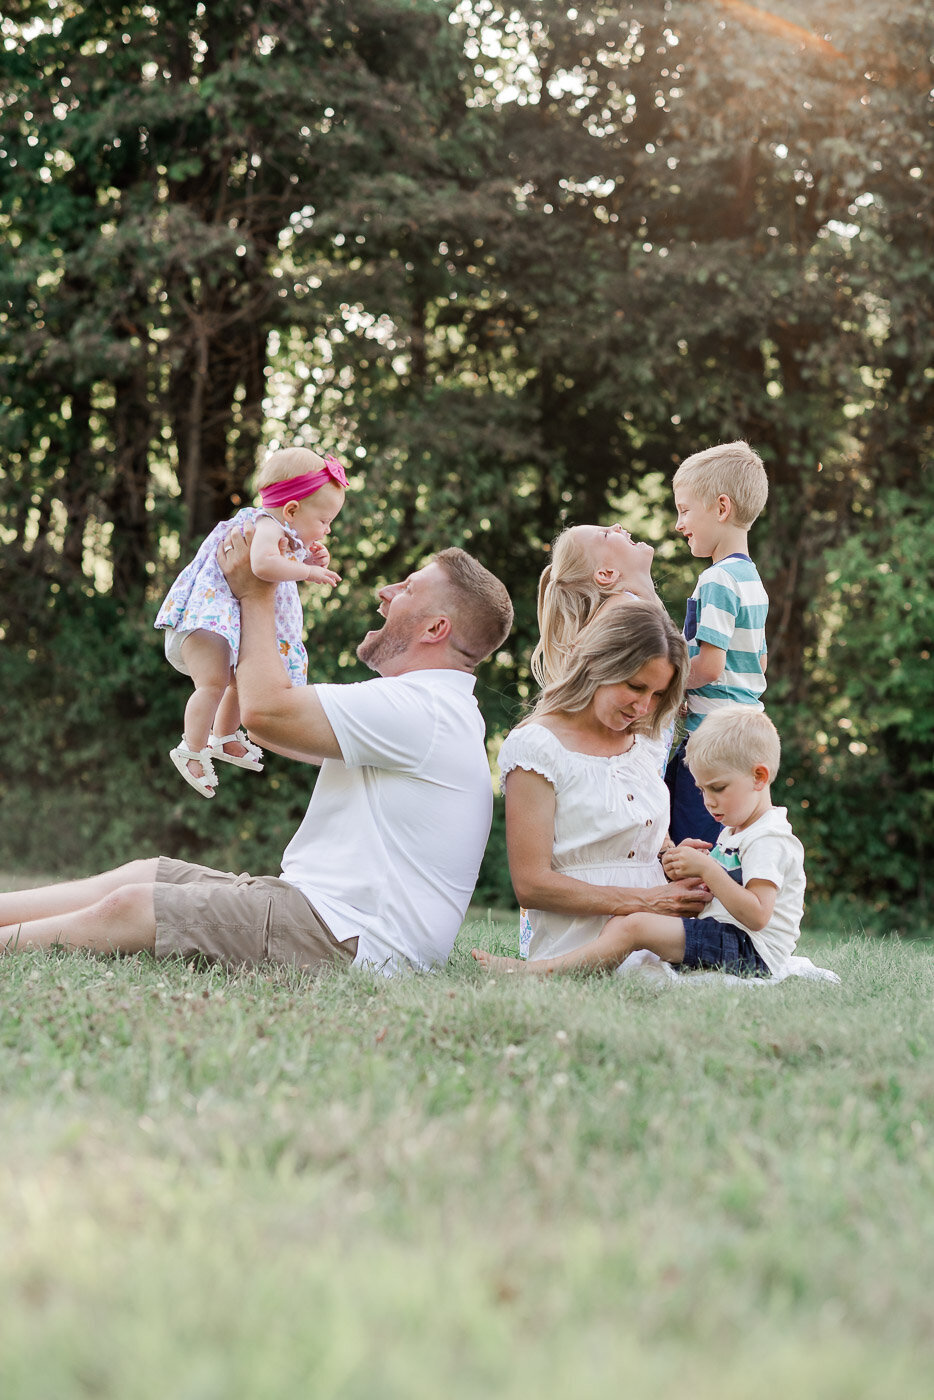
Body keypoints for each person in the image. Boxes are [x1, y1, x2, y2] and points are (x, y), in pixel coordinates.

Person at [1, 536, 514, 977]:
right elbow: (270, 723)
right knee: (144, 874)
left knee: (131, 907)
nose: (386, 593)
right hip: (324, 914)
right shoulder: (429, 706)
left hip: (356, 940)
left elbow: (267, 713)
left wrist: (257, 591)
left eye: (407, 589)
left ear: (435, 629)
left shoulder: (423, 709)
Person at [476, 705, 805, 980]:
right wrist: (684, 870)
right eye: (702, 790)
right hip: (726, 936)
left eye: (717, 788)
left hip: (752, 950)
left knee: (632, 926)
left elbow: (758, 915)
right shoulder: (739, 828)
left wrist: (707, 869)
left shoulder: (768, 837)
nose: (709, 803)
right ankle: (575, 969)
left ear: (759, 777)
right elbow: (725, 891)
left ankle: (539, 972)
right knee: (626, 924)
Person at [471, 600, 712, 974]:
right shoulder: (537, 746)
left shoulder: (644, 742)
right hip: (576, 943)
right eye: (636, 686)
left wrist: (673, 860)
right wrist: (648, 901)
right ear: (600, 664)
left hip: (658, 932)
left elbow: (643, 838)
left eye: (659, 695)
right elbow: (531, 885)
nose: (644, 707)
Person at [155, 446, 345, 798]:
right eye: (323, 521)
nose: (327, 530)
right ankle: (191, 749)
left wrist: (309, 551)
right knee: (212, 684)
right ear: (291, 510)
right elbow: (262, 567)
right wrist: (308, 570)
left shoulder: (276, 531)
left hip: (220, 625)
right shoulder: (266, 528)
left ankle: (224, 737)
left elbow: (279, 558)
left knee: (240, 683)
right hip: (207, 624)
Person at [665, 440, 770, 845]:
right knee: (733, 845)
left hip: (712, 740)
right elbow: (759, 663)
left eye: (685, 509)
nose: (679, 523)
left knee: (693, 845)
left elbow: (709, 666)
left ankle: (687, 912)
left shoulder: (717, 580)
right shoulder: (752, 581)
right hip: (746, 734)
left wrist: (667, 685)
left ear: (721, 508)